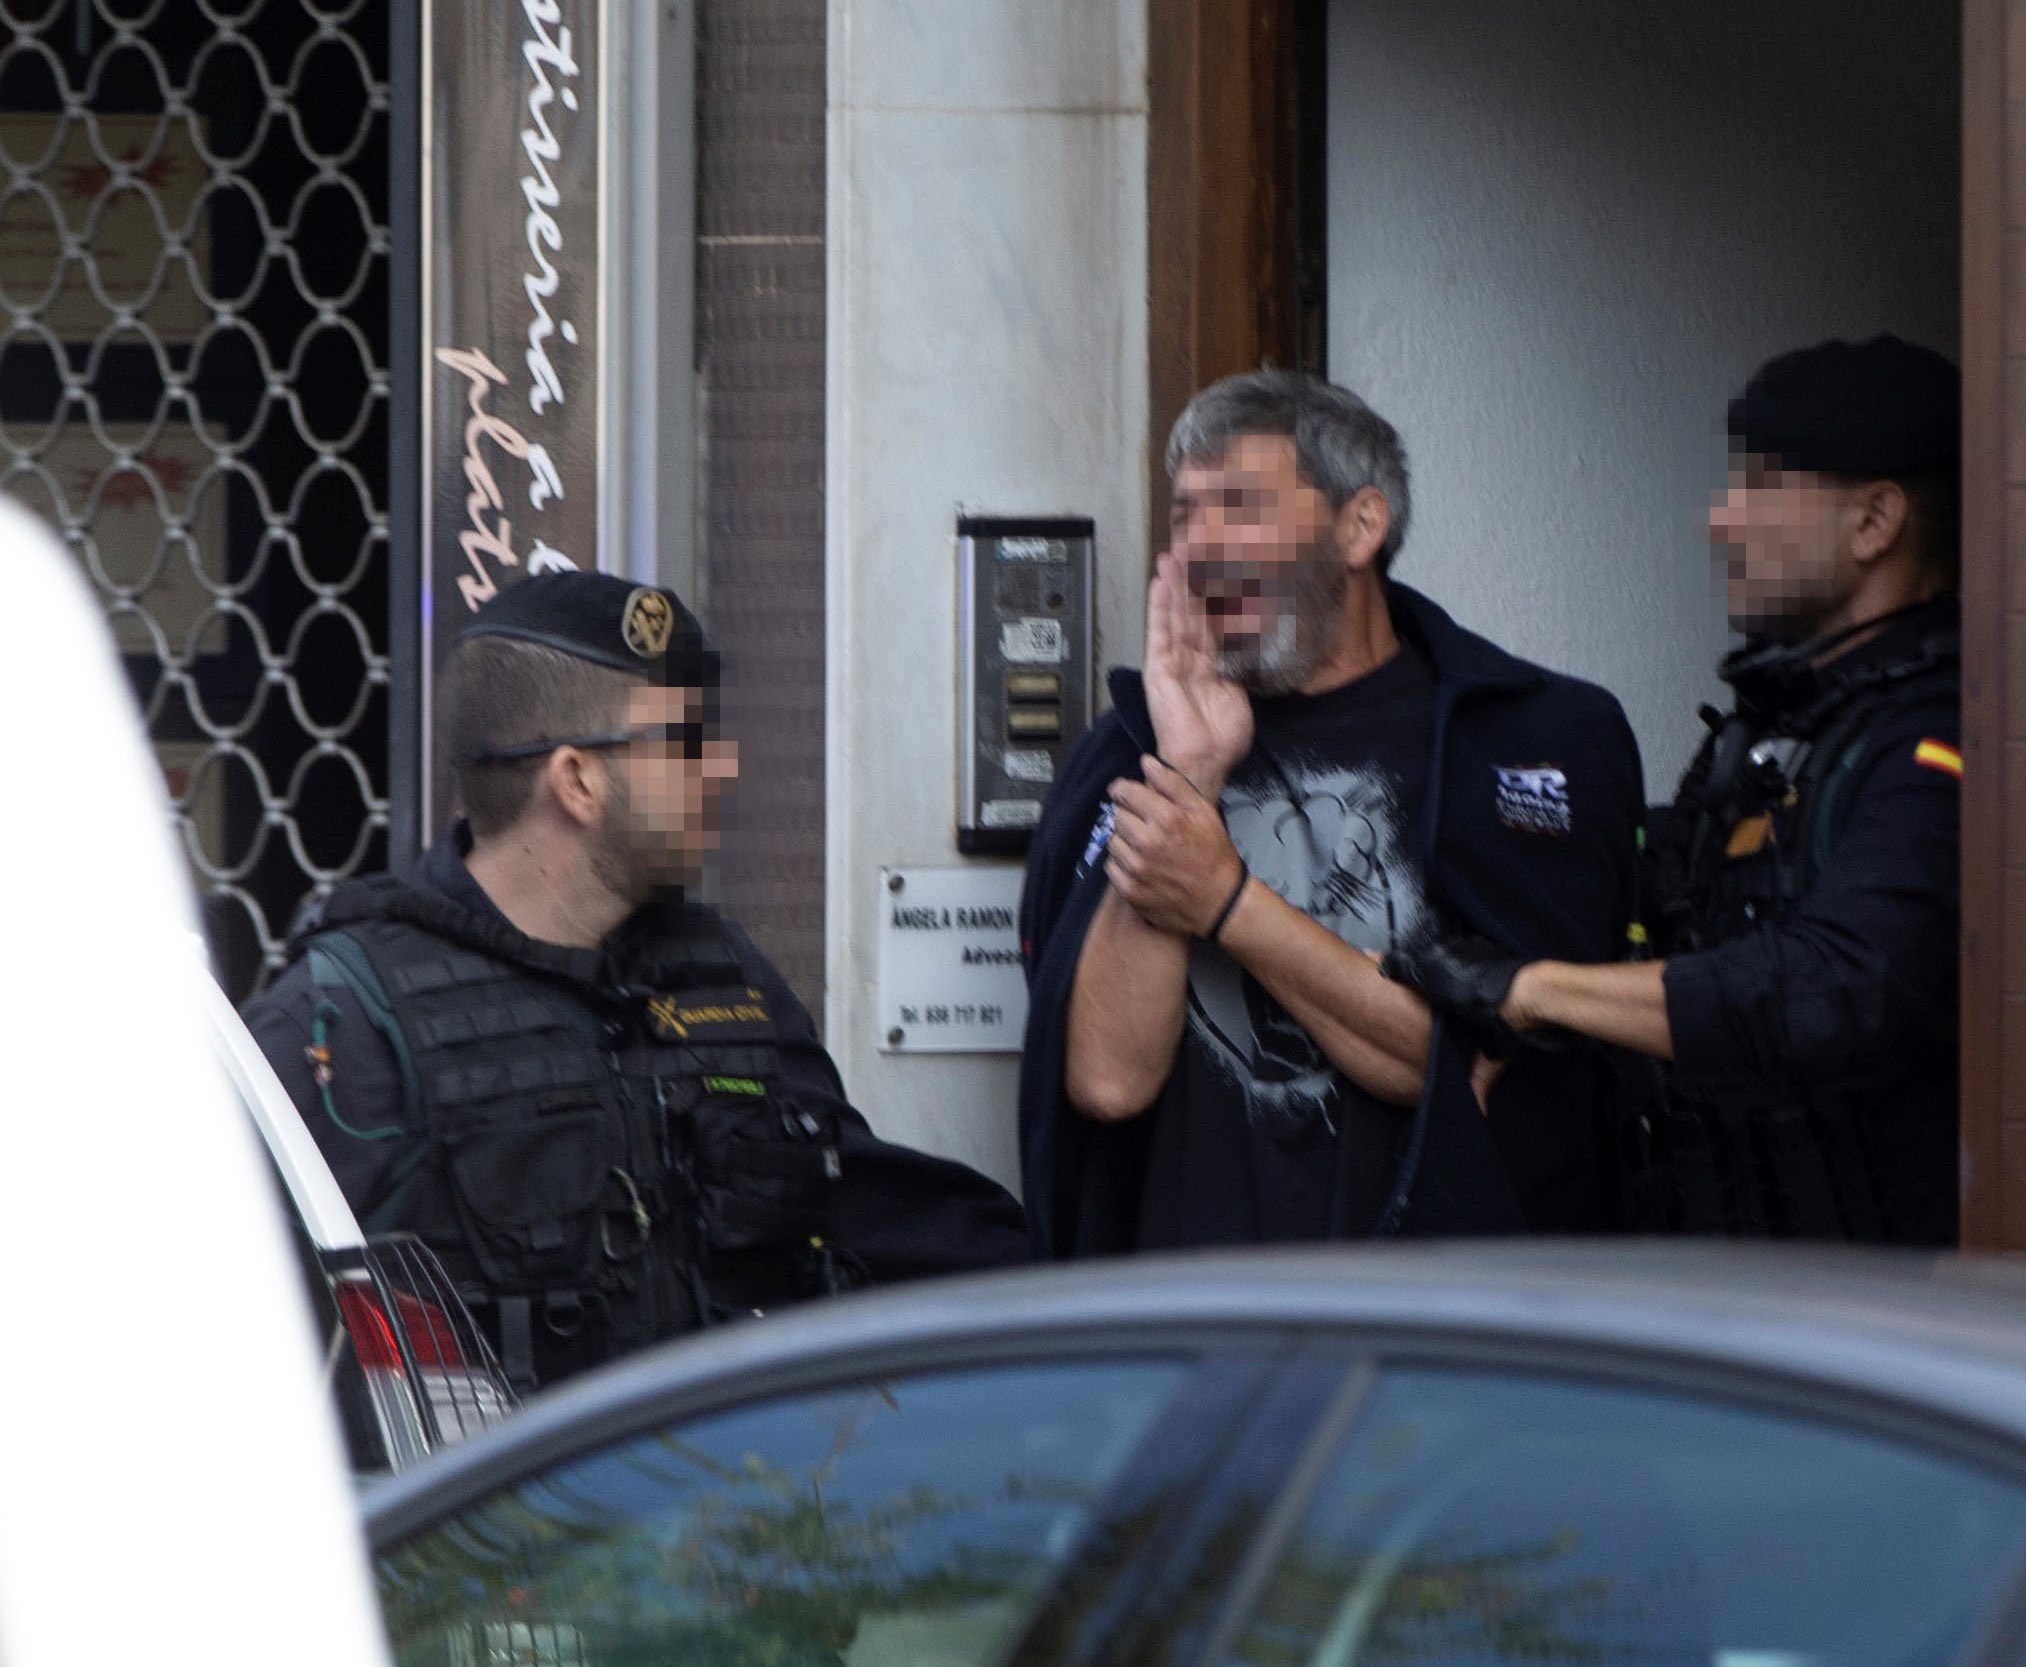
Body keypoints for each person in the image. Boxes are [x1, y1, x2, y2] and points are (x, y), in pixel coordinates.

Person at [244, 571, 1025, 1392]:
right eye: (688, 741)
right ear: (577, 780)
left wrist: (1097, 1309)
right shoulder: (346, 1022)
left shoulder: (719, 976)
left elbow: (879, 1216)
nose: (723, 766)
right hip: (483, 1519)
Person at [1015, 370, 1646, 1258]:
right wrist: (1187, 772)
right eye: (1186, 515)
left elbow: (1471, 1069)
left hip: (1445, 1333)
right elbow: (1109, 1083)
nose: (1200, 547)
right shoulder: (1123, 754)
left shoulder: (1529, 740)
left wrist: (1227, 901)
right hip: (1186, 1328)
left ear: (1361, 525)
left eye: (1239, 504)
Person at [1385, 335, 1964, 1244]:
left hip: (1881, 1311)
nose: (1719, 522)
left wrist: (1533, 990)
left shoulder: (1941, 737)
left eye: (1761, 489)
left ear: (1875, 522)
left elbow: (1835, 983)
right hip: (1731, 1282)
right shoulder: (1774, 728)